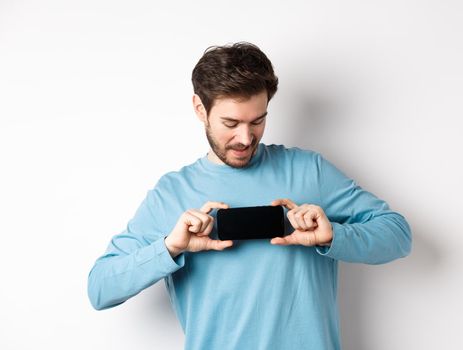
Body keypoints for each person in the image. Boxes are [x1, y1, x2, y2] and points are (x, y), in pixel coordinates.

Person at [87, 42, 412, 350]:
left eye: (258, 121)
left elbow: (398, 234)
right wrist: (170, 248)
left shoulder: (309, 171)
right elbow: (100, 288)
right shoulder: (172, 193)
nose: (245, 137)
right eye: (231, 123)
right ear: (200, 108)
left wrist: (334, 236)